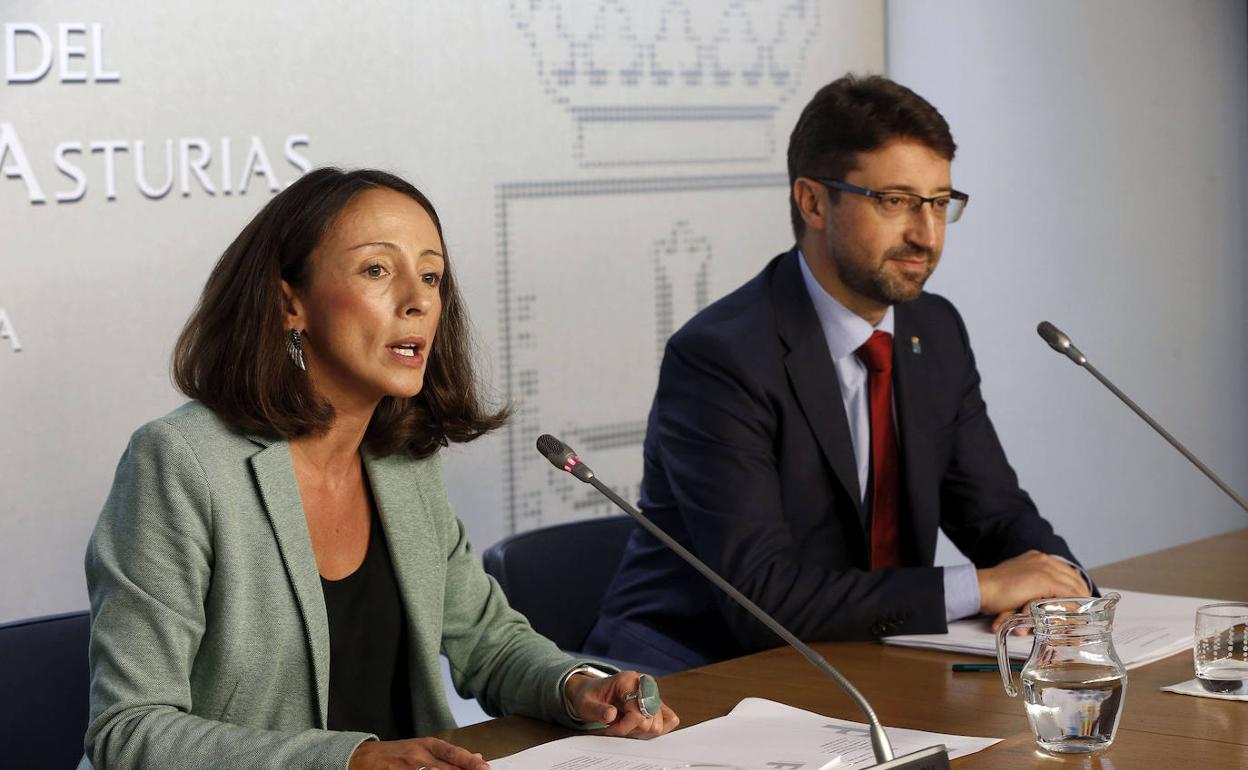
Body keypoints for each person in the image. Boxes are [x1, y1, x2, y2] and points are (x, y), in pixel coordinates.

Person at [80, 168, 677, 770]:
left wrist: (577, 688)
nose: (417, 300)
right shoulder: (182, 463)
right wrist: (350, 761)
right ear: (291, 303)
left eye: (430, 275)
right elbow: (128, 732)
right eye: (376, 270)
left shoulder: (401, 463)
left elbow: (490, 645)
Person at [585, 75, 1091, 672]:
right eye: (896, 201)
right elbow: (762, 598)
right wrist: (980, 589)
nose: (925, 235)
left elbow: (998, 514)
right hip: (701, 677)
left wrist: (1057, 593)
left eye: (939, 203)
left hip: (867, 665)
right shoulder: (721, 357)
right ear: (814, 202)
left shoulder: (936, 330)